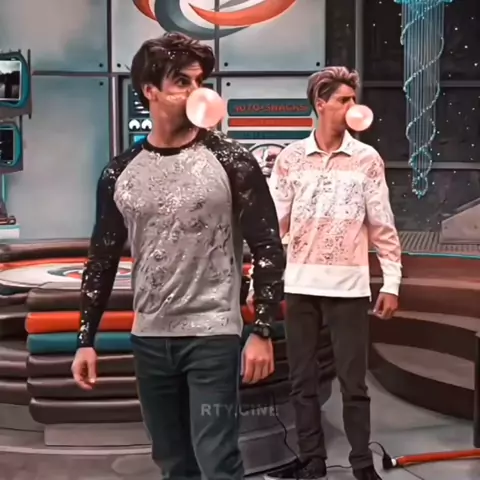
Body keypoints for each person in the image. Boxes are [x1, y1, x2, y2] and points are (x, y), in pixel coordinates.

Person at [71, 32, 285, 480]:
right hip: (149, 337)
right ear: (150, 90)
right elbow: (101, 258)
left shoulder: (232, 161)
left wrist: (262, 328)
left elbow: (267, 246)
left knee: (217, 459)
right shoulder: (119, 172)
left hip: (213, 333)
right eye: (182, 82)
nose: (196, 92)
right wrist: (85, 339)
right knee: (171, 461)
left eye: (200, 81)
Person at [266, 66, 402, 480]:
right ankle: (312, 461)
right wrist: (265, 278)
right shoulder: (290, 159)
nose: (351, 107)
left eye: (353, 99)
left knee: (354, 384)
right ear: (320, 103)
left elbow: (383, 225)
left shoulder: (367, 159)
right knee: (301, 380)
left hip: (350, 288)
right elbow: (273, 225)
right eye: (343, 100)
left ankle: (362, 465)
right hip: (300, 285)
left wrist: (392, 282)